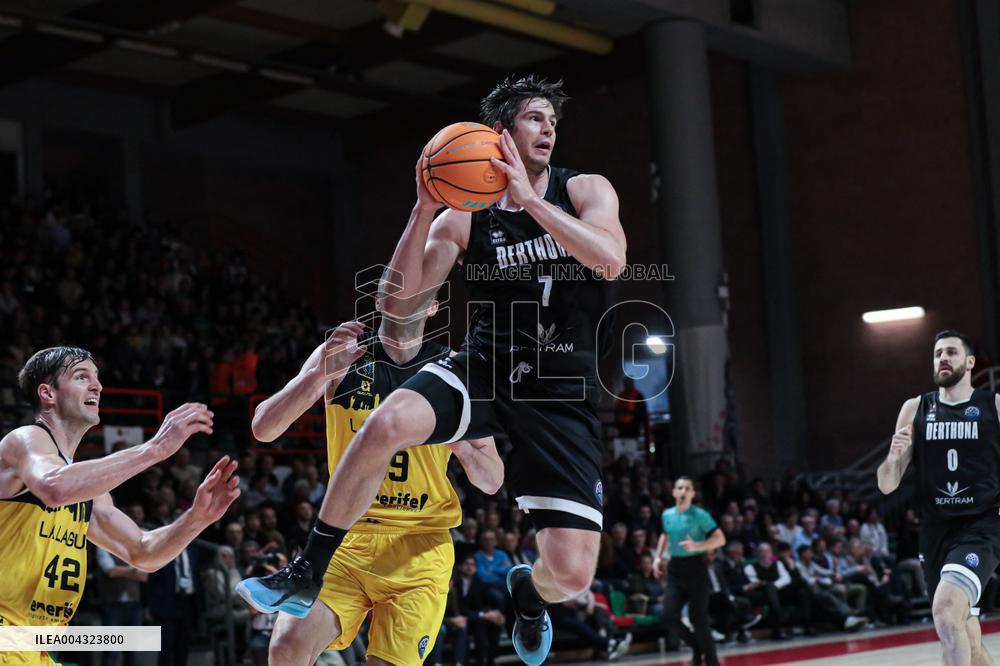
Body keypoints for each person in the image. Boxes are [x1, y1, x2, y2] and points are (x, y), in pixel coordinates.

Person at [238, 74, 626, 666]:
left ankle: (528, 592)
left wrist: (529, 202)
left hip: (557, 390)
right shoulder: (465, 216)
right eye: (534, 117)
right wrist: (423, 211)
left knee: (571, 575)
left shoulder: (584, 189)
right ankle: (308, 569)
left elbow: (611, 260)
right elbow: (396, 308)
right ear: (500, 132)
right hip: (486, 365)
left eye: (552, 120)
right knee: (387, 423)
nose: (549, 128)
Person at [238, 301, 503, 666]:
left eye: (417, 285)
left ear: (433, 306)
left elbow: (492, 479)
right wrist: (318, 375)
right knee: (286, 648)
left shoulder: (454, 369)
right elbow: (264, 428)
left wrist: (455, 436)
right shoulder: (342, 352)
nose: (405, 292)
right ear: (380, 301)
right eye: (394, 284)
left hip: (419, 545)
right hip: (344, 538)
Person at [0, 346, 240, 666]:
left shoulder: (86, 486)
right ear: (48, 394)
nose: (97, 386)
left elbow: (143, 551)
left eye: (97, 378)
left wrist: (196, 519)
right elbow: (53, 487)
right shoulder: (24, 439)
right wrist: (154, 449)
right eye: (81, 377)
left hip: (35, 645)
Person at [877, 330, 1000, 666]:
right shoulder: (915, 408)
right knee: (964, 636)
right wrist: (893, 457)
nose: (943, 358)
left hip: (981, 527)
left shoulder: (993, 406)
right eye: (937, 353)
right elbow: (887, 485)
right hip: (935, 531)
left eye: (951, 352)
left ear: (970, 362)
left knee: (945, 612)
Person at [653, 477, 725, 666]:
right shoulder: (667, 514)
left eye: (687, 488)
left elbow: (720, 539)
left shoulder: (700, 515)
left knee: (698, 619)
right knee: (669, 617)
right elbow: (665, 535)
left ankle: (713, 662)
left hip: (696, 569)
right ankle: (696, 646)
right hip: (676, 569)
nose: (683, 491)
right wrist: (657, 557)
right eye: (680, 488)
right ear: (674, 492)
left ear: (692, 493)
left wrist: (698, 546)